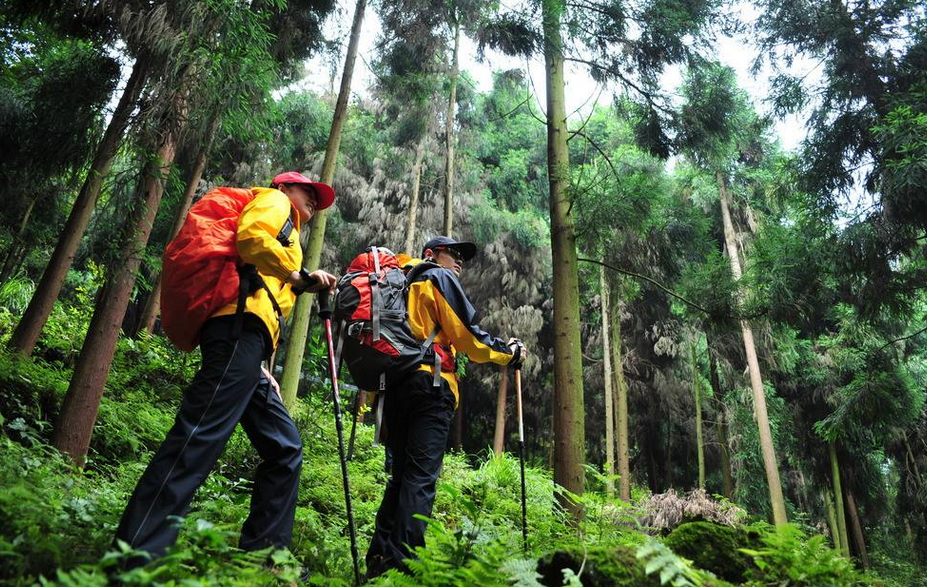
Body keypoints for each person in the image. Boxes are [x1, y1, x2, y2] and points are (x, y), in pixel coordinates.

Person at [114, 171, 337, 567]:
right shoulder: (275, 202)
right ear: (285, 186)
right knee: (198, 435)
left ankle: (266, 559)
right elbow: (252, 240)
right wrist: (297, 275)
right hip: (238, 332)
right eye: (309, 192)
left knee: (285, 448)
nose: (314, 202)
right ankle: (134, 558)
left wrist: (262, 357)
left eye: (318, 200)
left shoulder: (290, 230)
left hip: (249, 344)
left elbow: (266, 286)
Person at [365, 236, 527, 578]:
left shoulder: (398, 280)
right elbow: (468, 335)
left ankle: (380, 557)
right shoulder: (436, 276)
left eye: (461, 258)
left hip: (394, 388)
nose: (458, 262)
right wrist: (508, 352)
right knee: (421, 477)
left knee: (401, 477)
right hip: (430, 386)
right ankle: (404, 565)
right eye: (452, 254)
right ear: (431, 254)